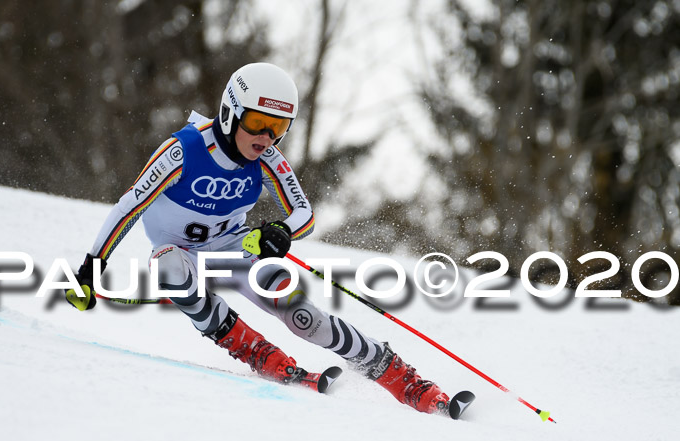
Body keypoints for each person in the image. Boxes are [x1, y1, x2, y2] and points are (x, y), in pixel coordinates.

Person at [66, 62, 452, 415]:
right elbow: (128, 207)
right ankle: (251, 349)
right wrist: (91, 268)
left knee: (304, 318)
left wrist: (280, 231)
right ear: (231, 111)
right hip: (180, 252)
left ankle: (400, 378)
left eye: (279, 127)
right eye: (257, 122)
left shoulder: (267, 159)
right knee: (169, 267)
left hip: (233, 250)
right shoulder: (184, 151)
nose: (266, 137)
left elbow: (304, 215)